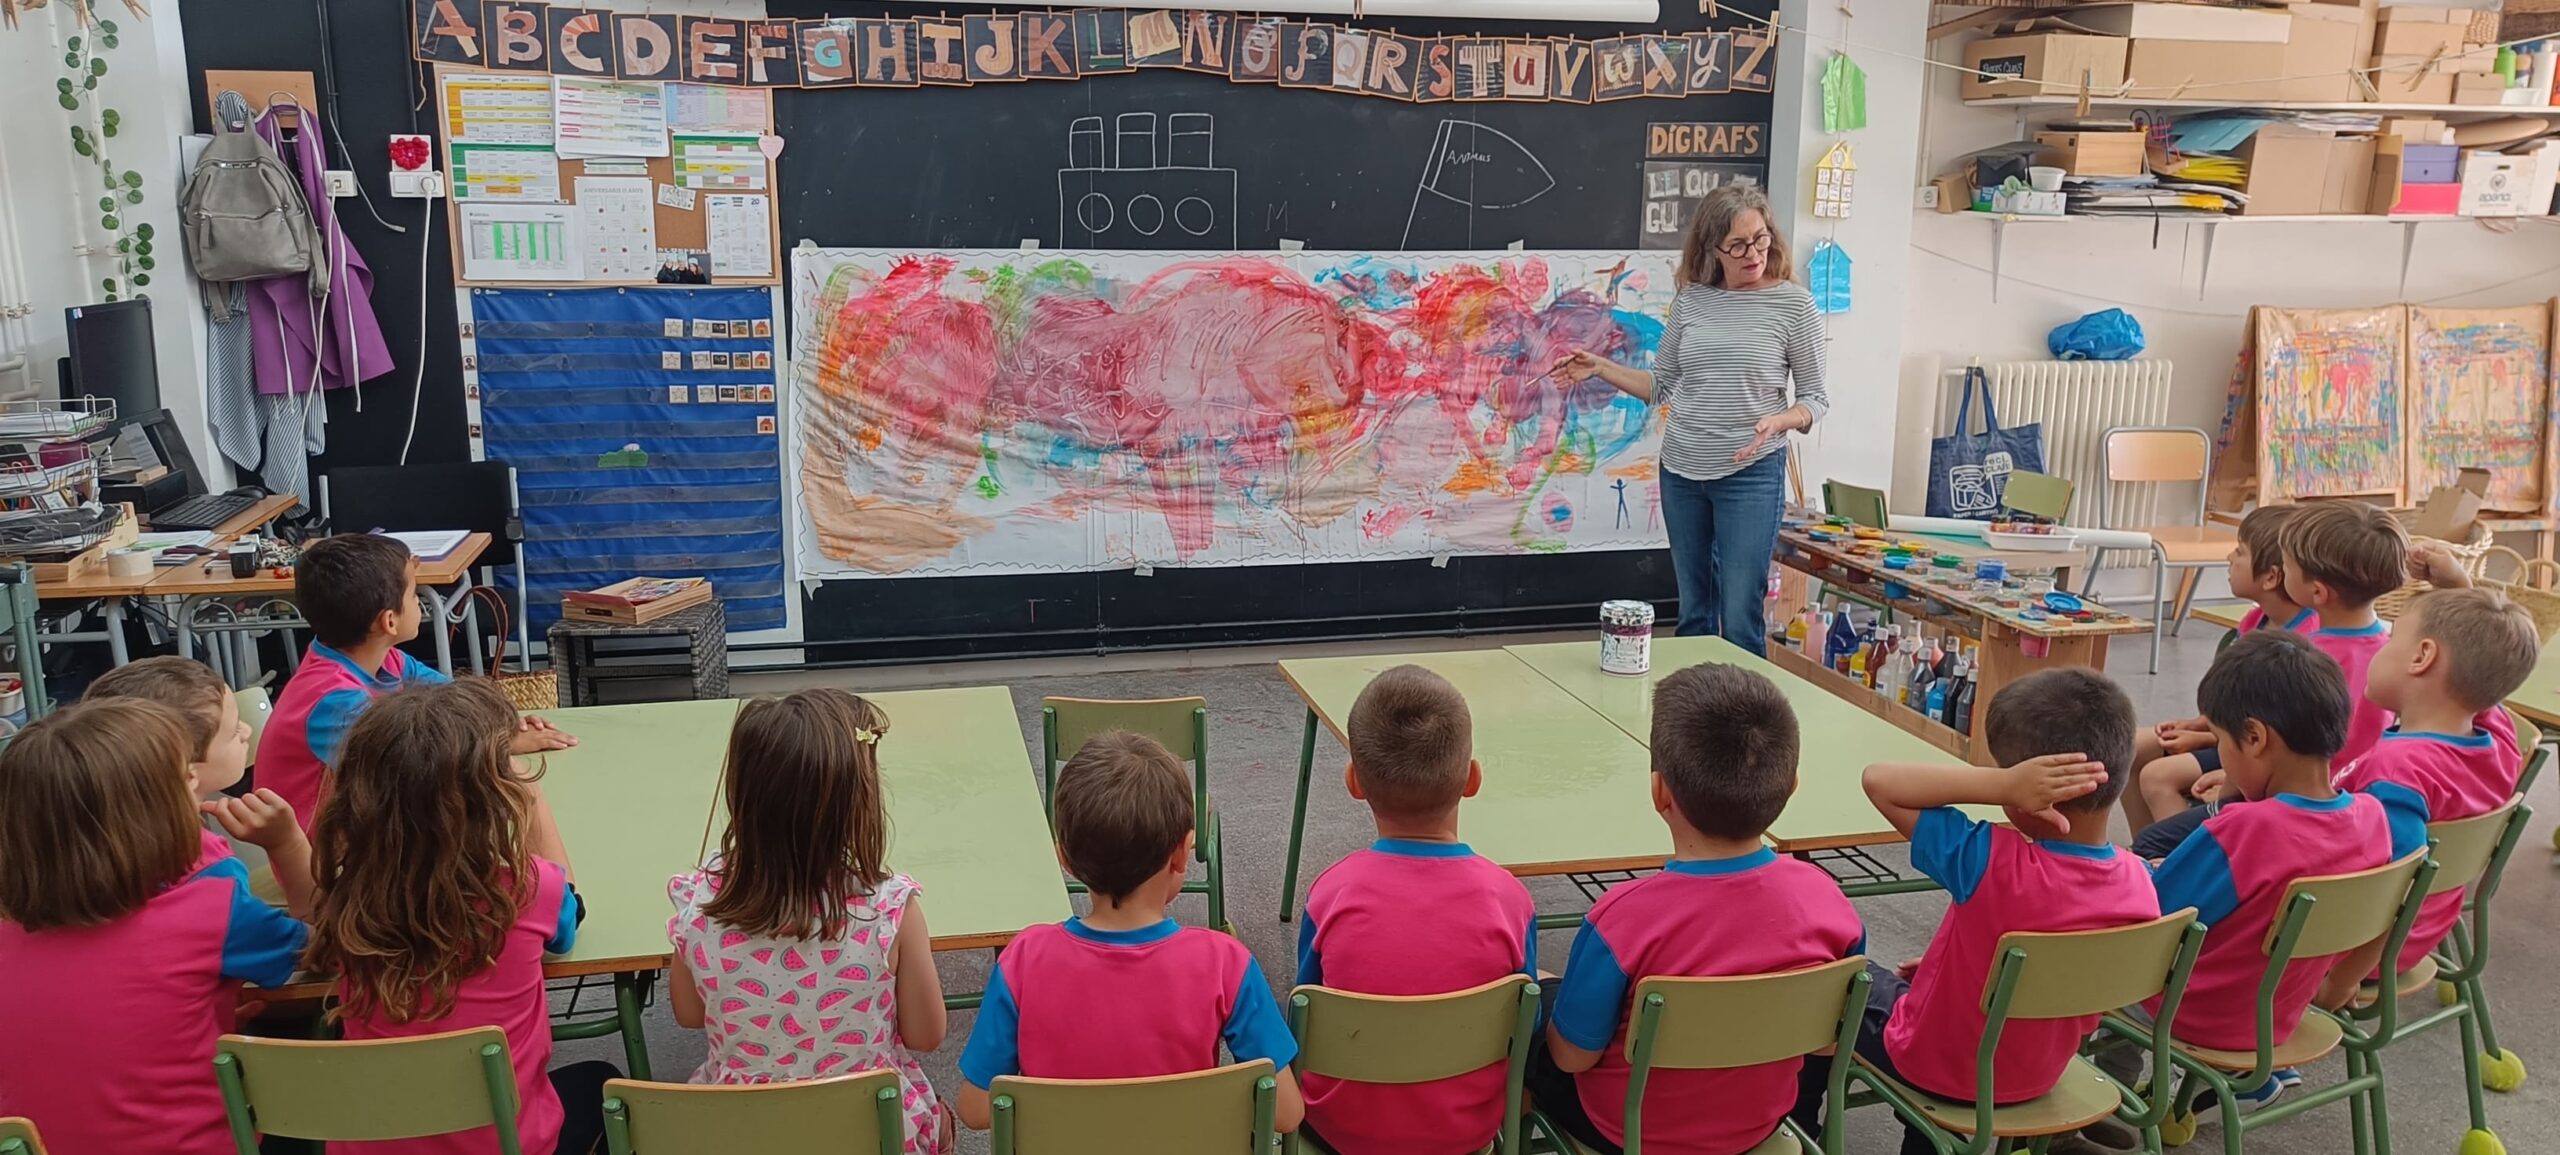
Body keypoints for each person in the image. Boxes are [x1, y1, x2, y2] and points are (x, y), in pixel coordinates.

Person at [1816, 670, 2157, 1155]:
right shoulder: (2139, 882)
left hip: (1942, 1066)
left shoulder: (1992, 861)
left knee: (1830, 979)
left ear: (2033, 793)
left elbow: (1880, 781)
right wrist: (1953, 973)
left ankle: (1798, 1123)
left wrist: (2002, 785)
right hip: (2041, 1071)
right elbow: (2070, 972)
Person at [1529, 663, 1864, 1155]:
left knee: (1528, 1005)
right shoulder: (1829, 903)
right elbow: (1827, 1043)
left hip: (1628, 1133)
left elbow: (1572, 1058)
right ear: (1792, 785)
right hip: (1757, 1125)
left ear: (1659, 792)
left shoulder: (1622, 919)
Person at [304, 679, 615, 1155]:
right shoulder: (529, 889)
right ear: (494, 796)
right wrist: (533, 798)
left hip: (374, 1145)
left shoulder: (348, 898)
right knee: (603, 1082)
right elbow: (569, 920)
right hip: (506, 1144)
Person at [0, 699, 309, 1155]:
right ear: (157, 815)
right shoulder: (211, 911)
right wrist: (288, 845)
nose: (195, 785)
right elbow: (326, 951)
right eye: (184, 778)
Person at [956, 731, 1302, 1135]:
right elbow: (1285, 1113)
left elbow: (975, 1109)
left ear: (1064, 858)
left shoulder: (1024, 959)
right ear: (1181, 854)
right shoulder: (1226, 964)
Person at [2145, 631, 2424, 1108]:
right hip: (2283, 1010)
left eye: (2222, 741)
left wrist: (2149, 871)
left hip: (2199, 1012)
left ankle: (2120, 1096)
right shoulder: (2373, 819)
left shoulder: (2245, 830)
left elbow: (2153, 920)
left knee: (2094, 960)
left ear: (2255, 738)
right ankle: (2249, 1078)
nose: (2222, 755)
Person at [667, 689, 951, 1154]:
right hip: (866, 1132)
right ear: (856, 806)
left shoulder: (699, 906)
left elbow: (688, 1013)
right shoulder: (890, 910)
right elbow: (927, 1035)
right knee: (939, 1118)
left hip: (741, 1135)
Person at [1552, 185, 1828, 655]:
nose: (1753, 254)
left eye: (1760, 239)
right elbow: (1660, 385)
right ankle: (1695, 702)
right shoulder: (1692, 301)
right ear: (1713, 248)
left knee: (1740, 616)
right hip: (1682, 472)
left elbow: (1815, 399)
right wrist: (1599, 367)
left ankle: (1744, 705)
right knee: (1695, 613)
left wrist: (1779, 421)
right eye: (1737, 245)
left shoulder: (1794, 306)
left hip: (1751, 473)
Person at [1296, 665, 1536, 1155]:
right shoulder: (1509, 900)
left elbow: (1308, 1015)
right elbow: (1523, 1029)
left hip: (1343, 1131)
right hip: (1463, 1131)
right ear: (1472, 779)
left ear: (1354, 782)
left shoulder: (1330, 895)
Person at [2131, 501, 2406, 859]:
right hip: (2340, 804)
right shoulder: (2390, 651)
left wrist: (2234, 788)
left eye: (2288, 565)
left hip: (2280, 803)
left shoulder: (2303, 658)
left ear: (2317, 592)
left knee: (2151, 843)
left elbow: (2271, 742)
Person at [2319, 576, 2539, 1004]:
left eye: (2390, 639)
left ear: (2422, 657)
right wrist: (2460, 589)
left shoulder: (2397, 774)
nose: (2381, 648)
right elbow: (2485, 670)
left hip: (2357, 950)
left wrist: (2342, 980)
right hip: (2425, 933)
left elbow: (2393, 887)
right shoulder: (2498, 742)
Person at [261, 534, 573, 833]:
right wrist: (499, 744)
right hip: (319, 856)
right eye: (413, 595)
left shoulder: (386, 660)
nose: (419, 602)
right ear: (389, 621)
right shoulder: (334, 702)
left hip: (370, 828)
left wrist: (505, 724)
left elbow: (456, 699)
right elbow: (415, 767)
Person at [2124, 506, 2309, 837]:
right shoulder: (2254, 621)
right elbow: (2236, 702)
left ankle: (2184, 856)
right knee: (2127, 745)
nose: (2229, 557)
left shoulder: (2303, 645)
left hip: (2253, 751)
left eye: (2240, 551)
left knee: (2158, 777)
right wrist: (2199, 723)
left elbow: (2273, 729)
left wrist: (2205, 736)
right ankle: (2143, 853)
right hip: (2228, 735)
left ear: (2271, 577)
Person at [88, 655, 312, 913]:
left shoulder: (82, 846)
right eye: (233, 731)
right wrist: (287, 844)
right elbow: (318, 932)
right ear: (188, 775)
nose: (247, 731)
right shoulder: (206, 871)